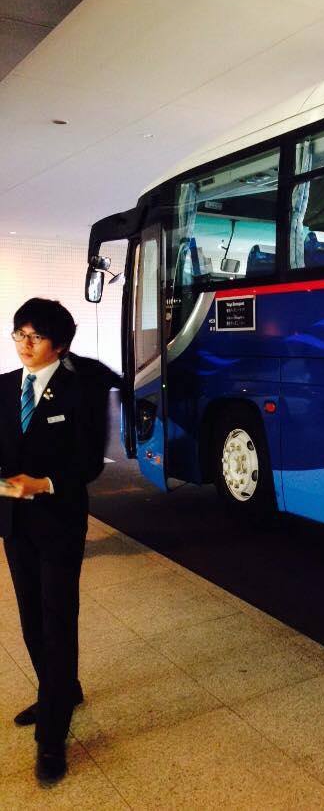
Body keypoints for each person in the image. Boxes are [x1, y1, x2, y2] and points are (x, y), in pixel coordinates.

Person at [0, 298, 111, 785]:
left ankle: (51, 735)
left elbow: (89, 464)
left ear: (59, 344)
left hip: (60, 523)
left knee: (57, 620)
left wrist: (43, 483)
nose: (25, 344)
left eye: (36, 336)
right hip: (14, 523)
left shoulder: (80, 391)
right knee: (30, 618)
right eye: (19, 333)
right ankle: (59, 691)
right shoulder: (5, 387)